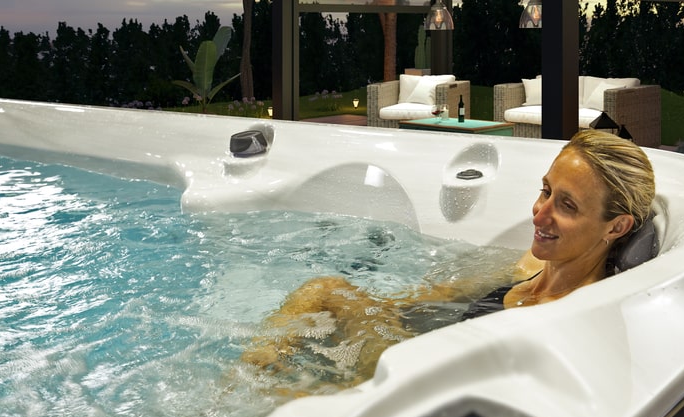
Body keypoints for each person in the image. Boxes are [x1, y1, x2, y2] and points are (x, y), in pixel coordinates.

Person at [237, 130, 656, 396]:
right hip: (415, 351)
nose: (539, 213)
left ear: (617, 227)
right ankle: (239, 386)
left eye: (566, 205)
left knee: (294, 398)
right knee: (322, 289)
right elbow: (432, 298)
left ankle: (255, 403)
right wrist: (385, 310)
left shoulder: (570, 313)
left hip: (419, 386)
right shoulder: (533, 263)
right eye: (545, 191)